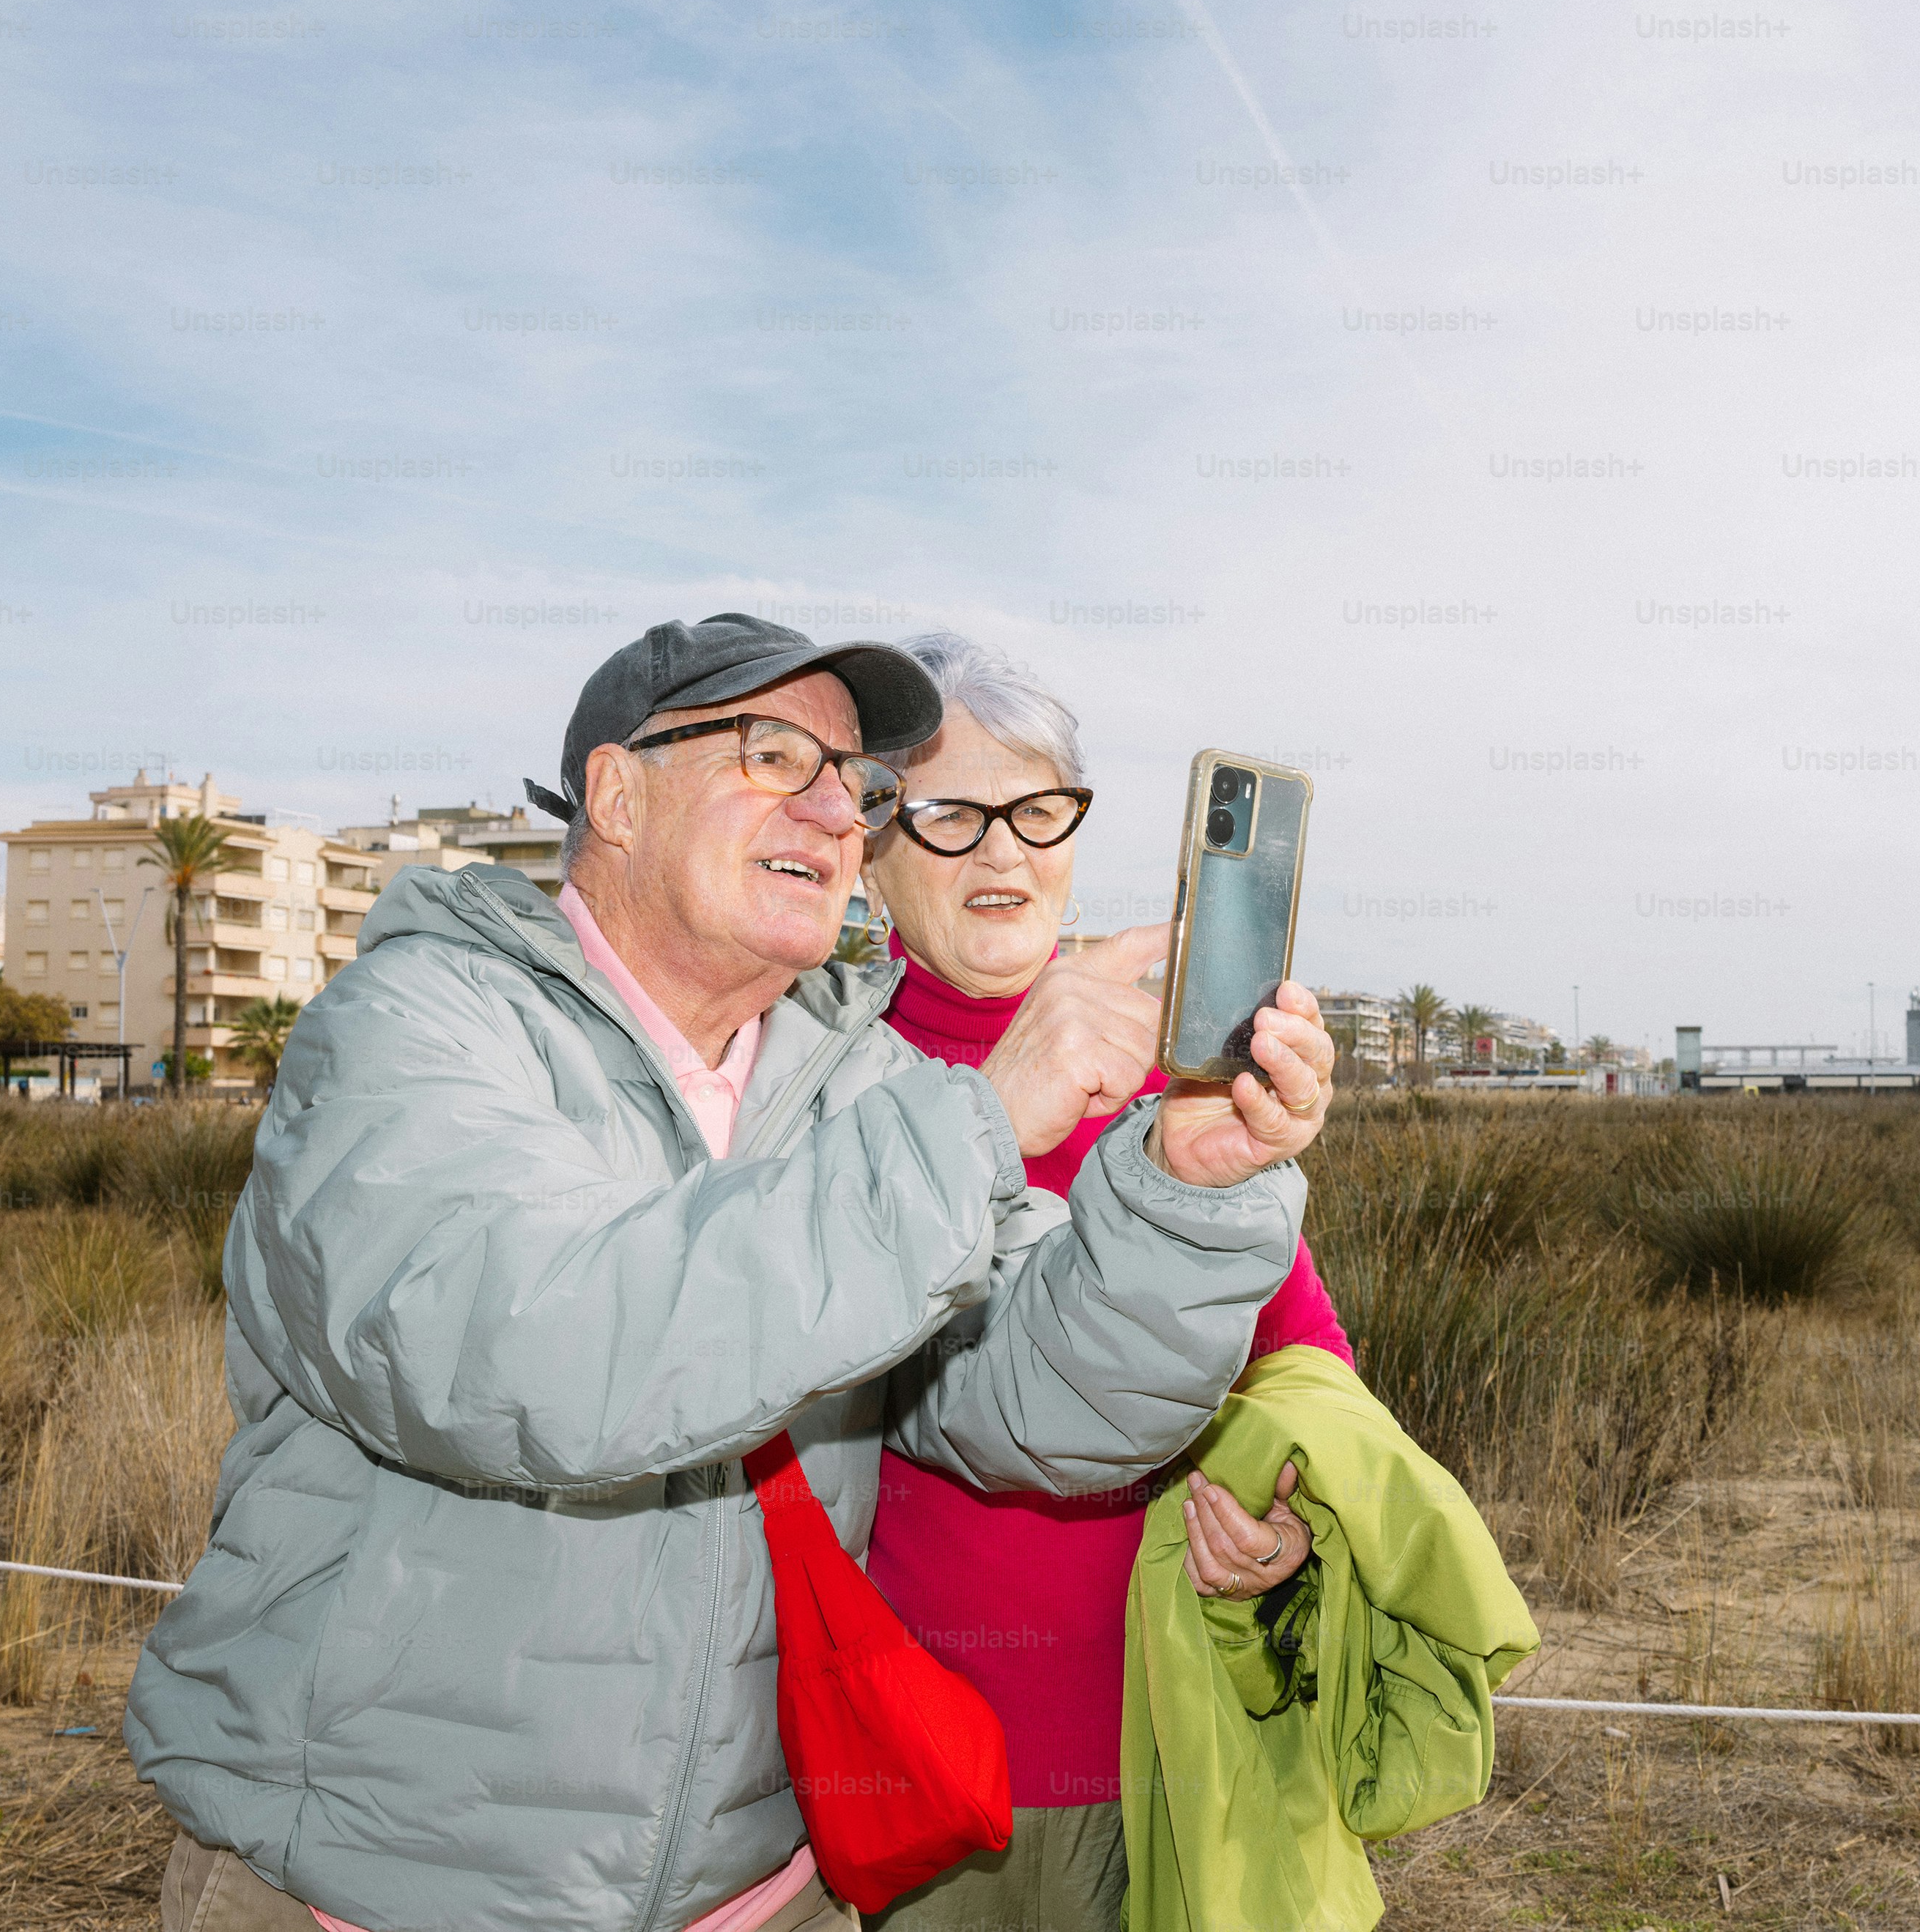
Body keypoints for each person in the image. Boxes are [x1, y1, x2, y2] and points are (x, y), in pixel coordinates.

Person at [125, 615, 1336, 1932]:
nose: (835, 809)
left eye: (858, 785)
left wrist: (1185, 1194)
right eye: (776, 756)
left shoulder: (849, 1085)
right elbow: (533, 1356)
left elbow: (1049, 1402)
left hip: (759, 1900)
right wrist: (980, 1129)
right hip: (372, 1895)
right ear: (616, 791)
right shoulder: (420, 1031)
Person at [853, 634, 1354, 1932]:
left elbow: (1306, 1363)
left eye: (1038, 810)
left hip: (1172, 1737)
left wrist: (1293, 1532)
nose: (1005, 854)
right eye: (952, 814)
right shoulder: (822, 1079)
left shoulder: (1174, 1081)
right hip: (919, 1768)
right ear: (869, 849)